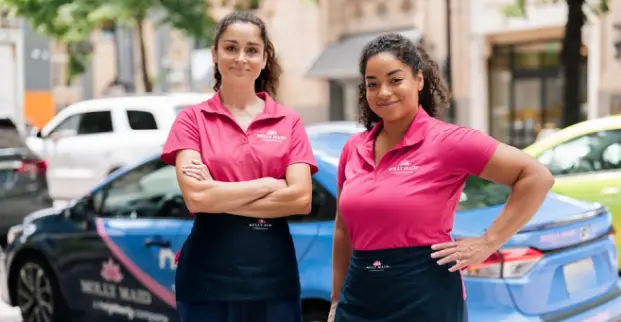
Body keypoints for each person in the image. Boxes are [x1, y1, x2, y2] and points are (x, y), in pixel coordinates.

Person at [328, 34, 554, 322]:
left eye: (395, 80)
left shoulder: (448, 141)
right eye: (373, 84)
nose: (383, 92)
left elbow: (536, 176)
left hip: (425, 295)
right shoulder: (353, 148)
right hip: (359, 295)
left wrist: (488, 242)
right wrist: (336, 299)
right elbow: (343, 231)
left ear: (418, 80)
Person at [160, 11, 317, 322]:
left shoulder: (288, 121)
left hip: (274, 279)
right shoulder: (192, 120)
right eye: (231, 48)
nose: (240, 58)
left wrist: (218, 193)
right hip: (206, 281)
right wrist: (269, 184)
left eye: (251, 50)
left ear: (263, 58)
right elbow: (197, 198)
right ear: (215, 54)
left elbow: (301, 198)